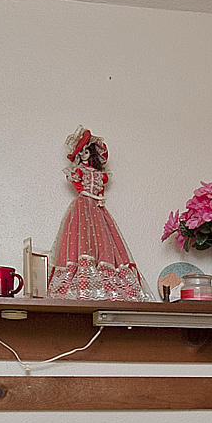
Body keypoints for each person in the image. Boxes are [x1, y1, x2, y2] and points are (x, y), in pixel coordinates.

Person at [48, 127, 146, 300]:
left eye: (87, 152)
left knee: (104, 242)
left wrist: (100, 199)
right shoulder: (78, 172)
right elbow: (79, 186)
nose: (85, 155)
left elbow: (100, 191)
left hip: (98, 208)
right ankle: (81, 287)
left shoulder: (100, 176)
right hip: (83, 206)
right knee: (81, 240)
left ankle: (108, 285)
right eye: (83, 152)